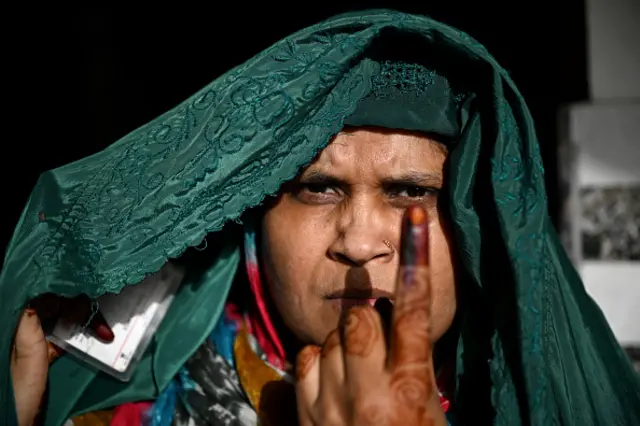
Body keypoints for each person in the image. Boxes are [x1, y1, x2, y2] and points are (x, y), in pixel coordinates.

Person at [4, 9, 640, 426]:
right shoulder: (107, 408)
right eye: (317, 189)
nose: (361, 242)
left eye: (412, 192)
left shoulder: (547, 404)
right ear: (252, 221)